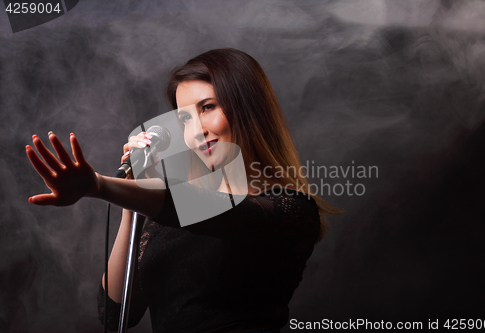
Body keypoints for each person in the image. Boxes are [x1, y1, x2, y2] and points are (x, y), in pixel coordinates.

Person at [26, 48, 341, 332]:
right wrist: (131, 193)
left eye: (208, 107)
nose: (196, 130)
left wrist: (101, 185)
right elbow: (114, 313)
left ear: (248, 109)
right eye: (184, 119)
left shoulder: (291, 209)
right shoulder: (168, 218)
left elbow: (218, 213)